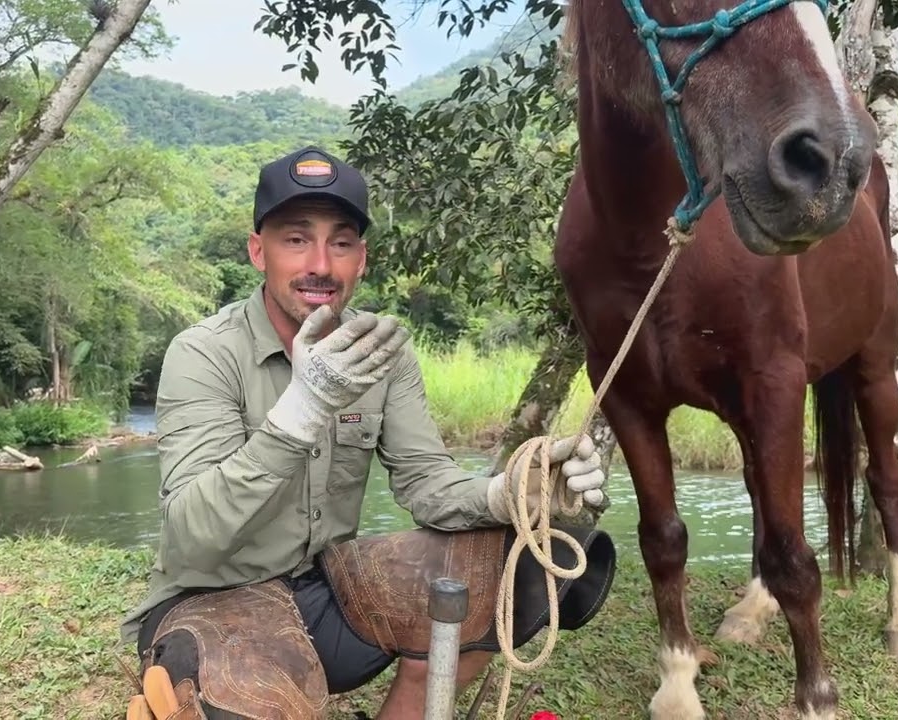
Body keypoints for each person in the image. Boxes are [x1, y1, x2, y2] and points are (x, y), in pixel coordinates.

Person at [120, 146, 618, 720]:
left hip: (329, 588)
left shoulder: (380, 349)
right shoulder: (203, 352)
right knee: (237, 705)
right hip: (213, 596)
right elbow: (192, 538)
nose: (321, 265)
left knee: (532, 563)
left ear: (362, 259)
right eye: (295, 238)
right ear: (259, 251)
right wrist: (301, 410)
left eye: (341, 241)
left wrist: (506, 495)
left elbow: (425, 481)